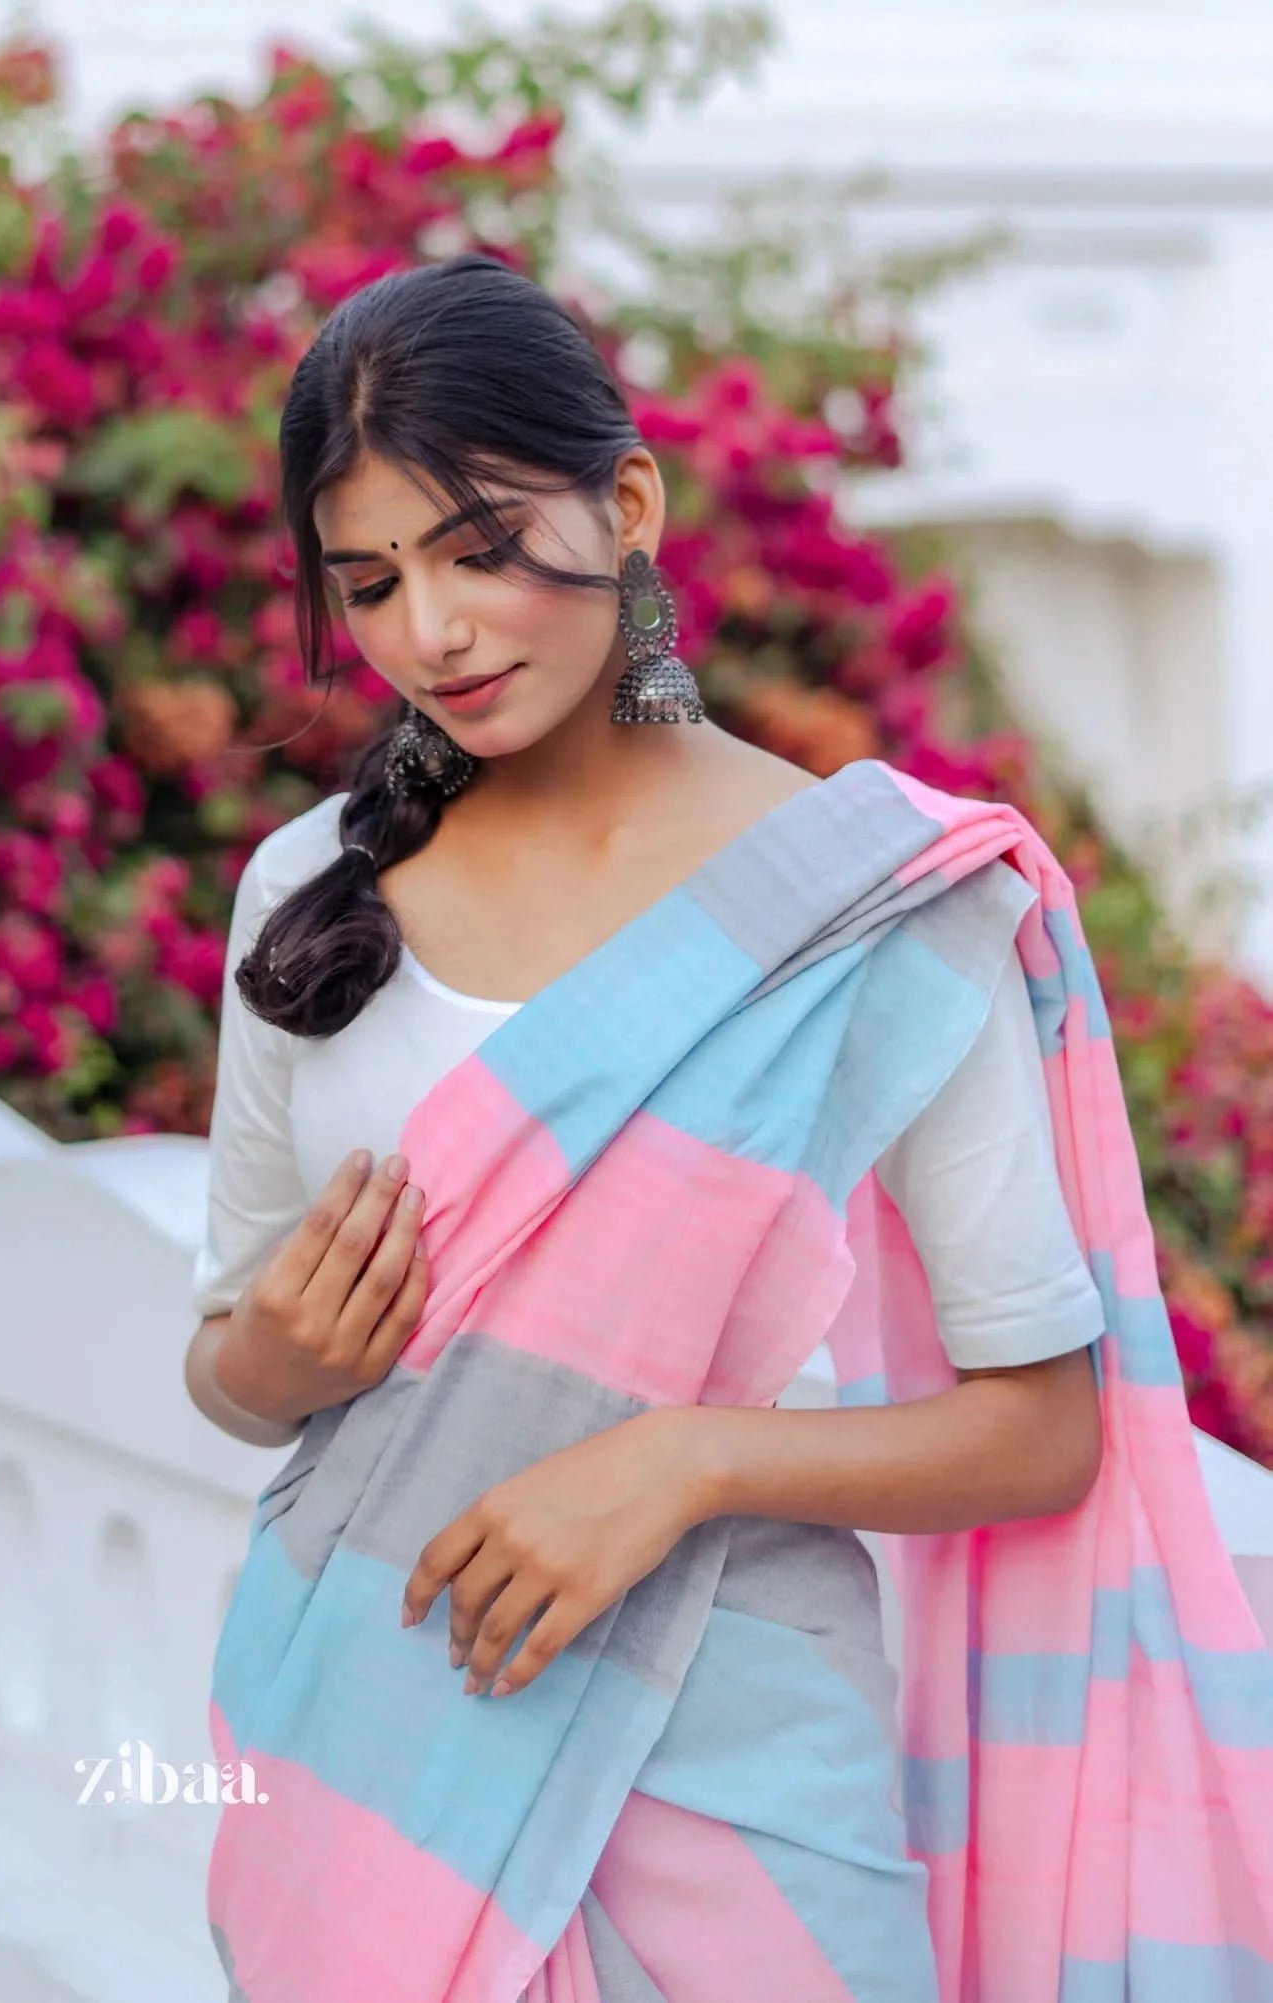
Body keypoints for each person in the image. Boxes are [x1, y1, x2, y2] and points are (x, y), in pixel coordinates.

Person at [183, 255, 1271, 2003]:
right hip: (361, 1741)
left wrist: (682, 1461)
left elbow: (1042, 1432)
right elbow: (228, 1369)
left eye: (475, 550)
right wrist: (286, 1356)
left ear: (627, 506)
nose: (430, 634)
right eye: (369, 582)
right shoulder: (306, 895)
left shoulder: (871, 908)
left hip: (745, 1763)